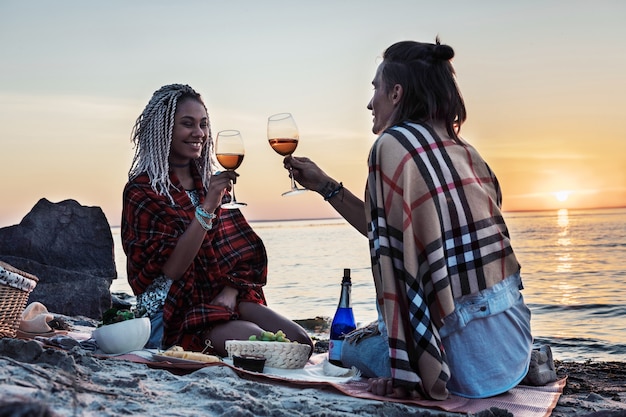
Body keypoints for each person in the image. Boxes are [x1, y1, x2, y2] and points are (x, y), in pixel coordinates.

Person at [284, 39, 547, 399]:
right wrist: (325, 186)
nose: (369, 101)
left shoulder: (391, 146)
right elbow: (393, 235)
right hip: (514, 349)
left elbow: (395, 269)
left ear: (396, 93)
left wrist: (406, 372)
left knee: (345, 348)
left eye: (375, 88)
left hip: (462, 372)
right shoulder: (468, 153)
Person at [121, 84, 313, 357]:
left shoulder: (210, 183)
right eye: (187, 124)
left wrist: (230, 293)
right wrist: (209, 205)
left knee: (301, 343)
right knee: (270, 348)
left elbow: (241, 254)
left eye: (203, 124)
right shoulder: (142, 191)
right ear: (163, 129)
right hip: (175, 310)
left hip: (220, 295)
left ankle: (229, 315)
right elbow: (173, 269)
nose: (198, 133)